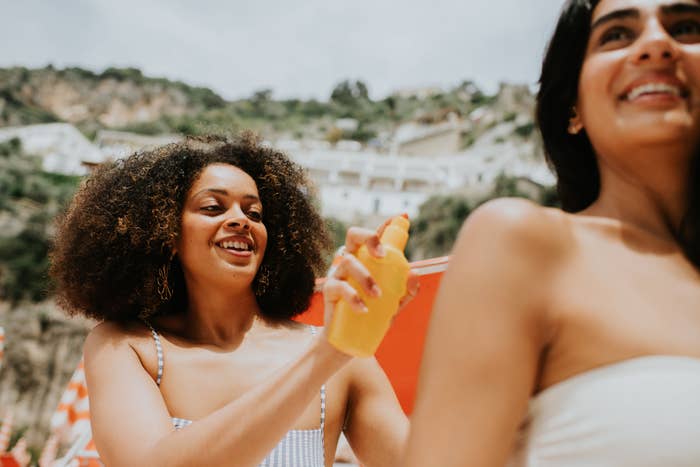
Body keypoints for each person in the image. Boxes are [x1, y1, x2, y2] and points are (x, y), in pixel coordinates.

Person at [402, 0, 700, 466]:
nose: (657, 44)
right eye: (617, 34)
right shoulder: (523, 244)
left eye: (686, 27)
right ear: (573, 107)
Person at [50, 133, 416, 467]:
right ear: (167, 234)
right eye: (213, 207)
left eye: (254, 212)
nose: (240, 220)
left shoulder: (346, 362)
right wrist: (326, 355)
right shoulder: (126, 347)